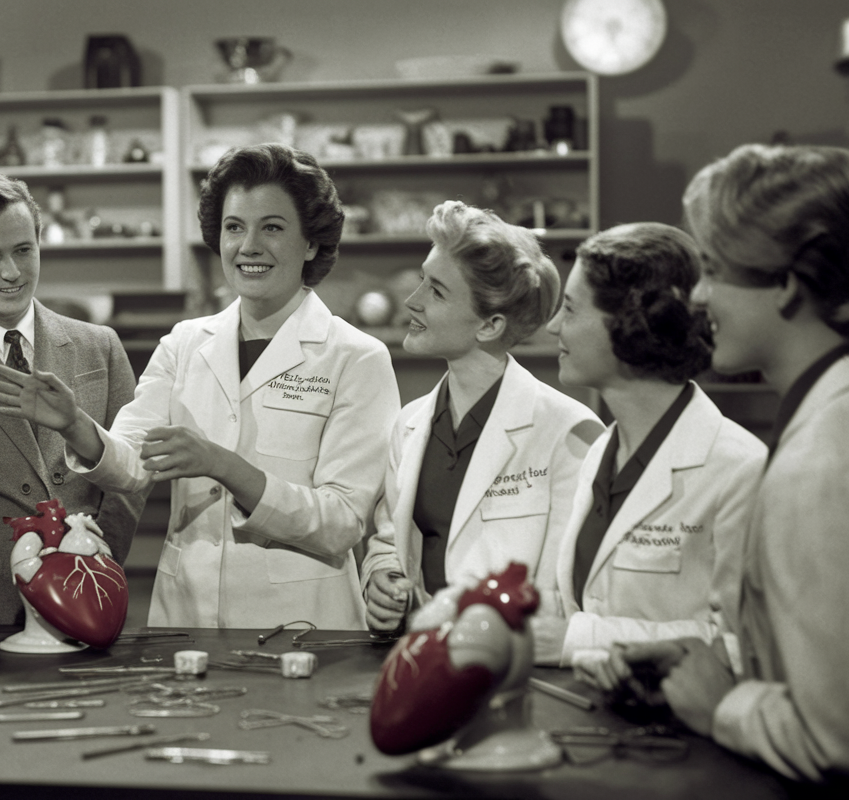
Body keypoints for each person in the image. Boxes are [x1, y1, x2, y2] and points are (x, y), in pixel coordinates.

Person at [0, 144, 399, 628]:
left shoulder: (356, 357)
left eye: (272, 227)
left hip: (302, 625)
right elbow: (134, 463)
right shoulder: (185, 343)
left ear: (310, 243)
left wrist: (222, 465)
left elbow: (341, 522)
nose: (248, 246)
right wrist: (77, 426)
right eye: (234, 227)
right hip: (186, 615)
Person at [619, 144, 849, 782]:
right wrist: (724, 660)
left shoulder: (823, 460)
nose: (697, 296)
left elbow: (834, 735)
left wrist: (724, 703)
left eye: (715, 269)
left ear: (787, 286)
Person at [0, 170, 144, 625]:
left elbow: (129, 477)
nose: (12, 272)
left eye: (23, 250)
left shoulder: (101, 347)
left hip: (88, 592)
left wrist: (99, 558)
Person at [530, 223, 766, 673]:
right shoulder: (600, 452)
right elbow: (588, 600)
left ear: (631, 326)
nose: (554, 325)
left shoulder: (739, 468)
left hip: (691, 735)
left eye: (572, 309)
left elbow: (743, 644)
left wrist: (578, 639)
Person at [361, 200, 603, 633]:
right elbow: (390, 541)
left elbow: (569, 590)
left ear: (489, 325)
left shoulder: (569, 432)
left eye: (435, 291)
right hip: (424, 659)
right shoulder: (410, 424)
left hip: (515, 667)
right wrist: (383, 579)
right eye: (421, 281)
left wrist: (464, 620)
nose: (412, 302)